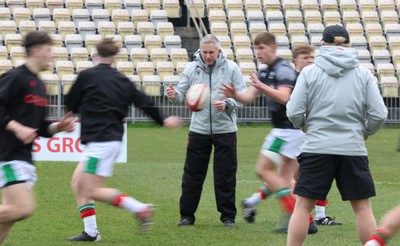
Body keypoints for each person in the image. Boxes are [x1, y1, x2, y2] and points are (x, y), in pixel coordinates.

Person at [66, 38, 182, 242]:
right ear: (113, 58)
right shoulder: (122, 80)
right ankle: (91, 232)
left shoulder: (86, 76)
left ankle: (140, 208)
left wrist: (84, 106)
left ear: (95, 55)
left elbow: (71, 103)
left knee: (90, 189)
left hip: (100, 142)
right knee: (77, 182)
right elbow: (143, 102)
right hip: (110, 140)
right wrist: (162, 120)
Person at [286, 25, 388, 245]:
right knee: (362, 208)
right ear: (349, 45)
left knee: (303, 206)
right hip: (352, 147)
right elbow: (379, 114)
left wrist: (303, 125)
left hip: (316, 147)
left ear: (323, 44)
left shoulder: (310, 72)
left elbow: (294, 110)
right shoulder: (363, 74)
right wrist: (366, 130)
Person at [221, 31, 303, 233]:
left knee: (262, 169)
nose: (257, 52)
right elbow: (249, 98)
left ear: (273, 48)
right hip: (288, 131)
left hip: (287, 131)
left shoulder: (284, 70)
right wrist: (235, 95)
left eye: (261, 48)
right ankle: (302, 220)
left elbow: (284, 97)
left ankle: (292, 210)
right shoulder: (264, 72)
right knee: (284, 180)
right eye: (256, 48)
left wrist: (261, 87)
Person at [0, 31, 75, 244]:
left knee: (7, 220)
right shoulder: (15, 77)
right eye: (49, 50)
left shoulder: (40, 86)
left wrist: (57, 127)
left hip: (22, 156)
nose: (52, 55)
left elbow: (40, 128)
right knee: (23, 208)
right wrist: (16, 128)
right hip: (7, 154)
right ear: (35, 52)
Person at [166, 34, 246, 227]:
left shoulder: (232, 68)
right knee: (192, 174)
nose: (208, 56)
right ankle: (186, 216)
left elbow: (242, 98)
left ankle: (228, 217)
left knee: (225, 174)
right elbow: (181, 93)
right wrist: (173, 94)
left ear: (219, 51)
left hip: (225, 129)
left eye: (212, 52)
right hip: (199, 130)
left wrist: (228, 104)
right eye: (205, 52)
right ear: (200, 51)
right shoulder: (192, 68)